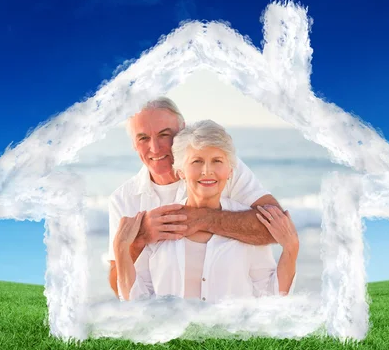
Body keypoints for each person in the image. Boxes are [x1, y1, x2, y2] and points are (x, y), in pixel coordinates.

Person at [107, 97, 283, 298]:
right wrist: (139, 240)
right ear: (133, 144)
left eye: (164, 135)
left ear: (182, 130)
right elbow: (117, 286)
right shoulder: (123, 199)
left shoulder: (218, 168)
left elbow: (276, 227)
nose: (155, 148)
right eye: (143, 138)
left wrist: (202, 218)